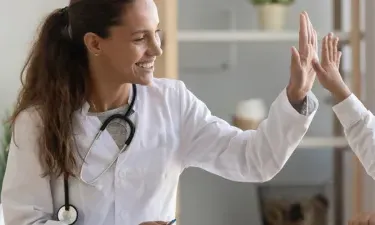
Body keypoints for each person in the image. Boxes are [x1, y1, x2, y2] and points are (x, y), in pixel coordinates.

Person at [1, 0, 319, 223]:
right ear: (95, 44)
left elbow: (254, 161)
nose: (157, 49)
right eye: (140, 38)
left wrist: (296, 96)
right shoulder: (38, 122)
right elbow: (22, 221)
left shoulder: (172, 103)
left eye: (157, 33)